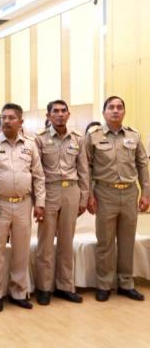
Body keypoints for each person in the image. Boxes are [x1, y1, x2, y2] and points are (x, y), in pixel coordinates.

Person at [0, 103, 45, 312]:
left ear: (20, 122)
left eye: (11, 118)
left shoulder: (30, 145)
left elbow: (38, 176)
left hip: (23, 204)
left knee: (21, 251)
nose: (6, 121)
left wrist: (40, 203)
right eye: (4, 117)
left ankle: (18, 292)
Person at [85, 96, 150, 302]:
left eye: (119, 107)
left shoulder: (134, 135)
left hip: (130, 193)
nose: (115, 110)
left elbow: (142, 164)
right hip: (105, 194)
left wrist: (146, 193)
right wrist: (89, 194)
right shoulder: (93, 136)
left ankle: (126, 283)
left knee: (127, 241)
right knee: (105, 242)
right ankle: (104, 284)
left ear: (124, 111)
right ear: (104, 112)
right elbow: (86, 167)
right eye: (111, 107)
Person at [34, 100, 89, 305]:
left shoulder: (77, 139)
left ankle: (65, 286)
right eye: (55, 111)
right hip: (49, 191)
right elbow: (36, 172)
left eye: (63, 111)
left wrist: (84, 197)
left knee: (66, 241)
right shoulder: (39, 139)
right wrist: (38, 200)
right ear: (48, 116)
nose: (59, 114)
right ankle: (44, 287)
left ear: (68, 114)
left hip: (71, 191)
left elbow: (83, 170)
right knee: (46, 243)